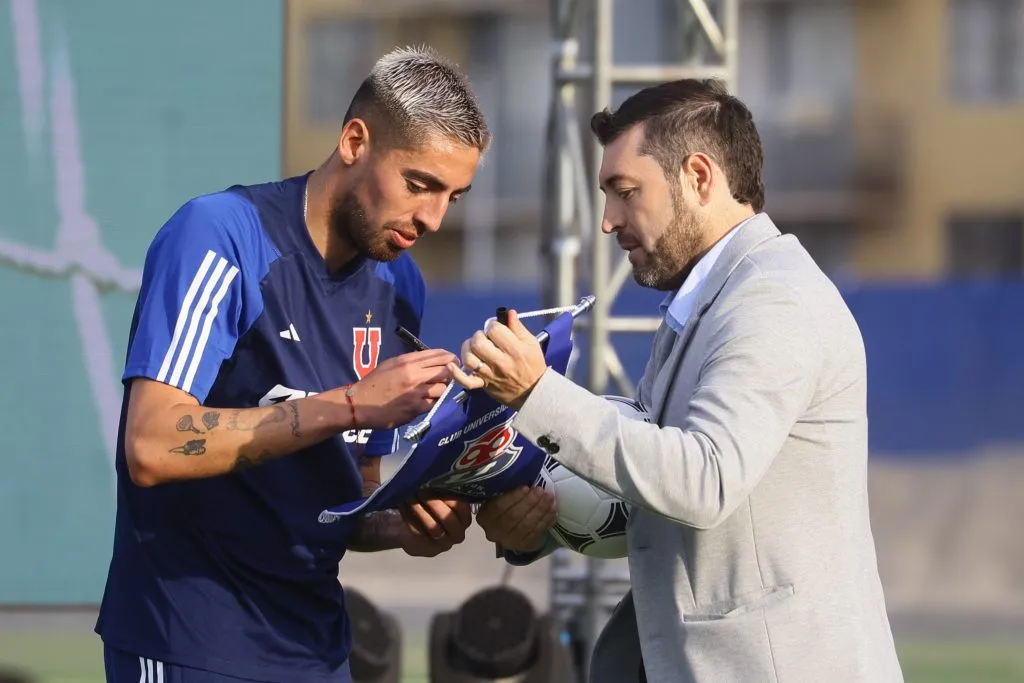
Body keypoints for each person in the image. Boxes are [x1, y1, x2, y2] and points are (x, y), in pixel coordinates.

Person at [453, 79, 905, 682]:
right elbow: (666, 503)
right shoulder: (709, 301)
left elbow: (704, 481)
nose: (609, 221)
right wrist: (544, 520)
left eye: (624, 192)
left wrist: (537, 394)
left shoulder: (773, 301)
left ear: (698, 177)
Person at [95, 46, 489, 683]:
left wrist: (403, 525)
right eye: (419, 184)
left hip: (318, 649)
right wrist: (354, 403)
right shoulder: (222, 236)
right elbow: (151, 443)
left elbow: (344, 494)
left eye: (454, 196)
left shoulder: (400, 285)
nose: (434, 218)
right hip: (188, 639)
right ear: (355, 141)